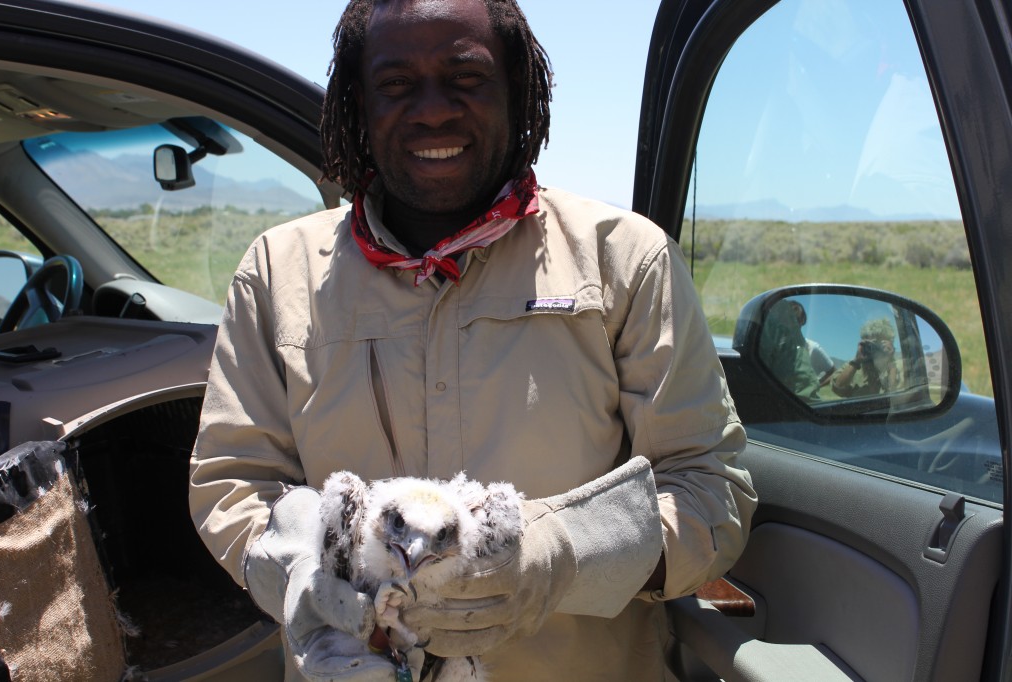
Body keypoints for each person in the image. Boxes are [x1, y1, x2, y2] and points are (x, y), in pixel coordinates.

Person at [188, 0, 758, 680]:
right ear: (357, 106)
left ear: (519, 93)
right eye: (397, 85)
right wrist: (308, 570)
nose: (433, 111)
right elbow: (232, 485)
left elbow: (710, 491)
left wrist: (561, 556)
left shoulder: (625, 262)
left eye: (466, 77)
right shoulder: (276, 272)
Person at [831, 317, 901, 397]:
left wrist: (890, 362)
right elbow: (838, 387)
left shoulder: (897, 366)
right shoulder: (854, 366)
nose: (872, 348)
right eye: (868, 344)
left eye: (877, 344)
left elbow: (894, 394)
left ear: (889, 344)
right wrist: (856, 362)